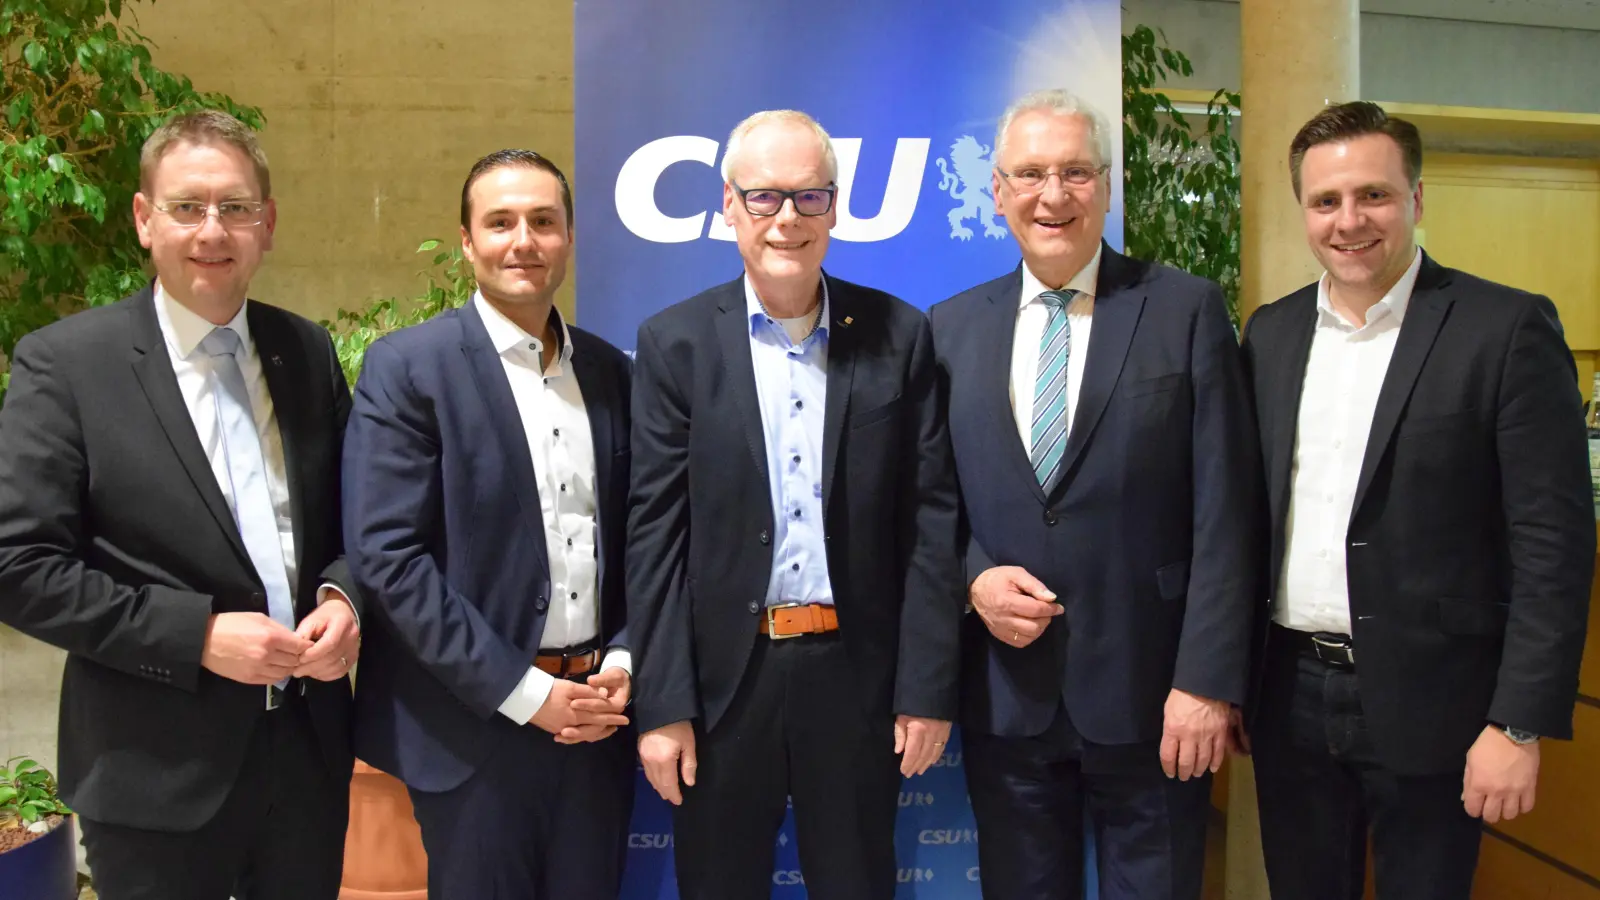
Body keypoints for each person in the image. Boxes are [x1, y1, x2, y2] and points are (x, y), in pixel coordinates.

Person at [0, 109, 361, 900]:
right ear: (142, 219)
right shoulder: (67, 365)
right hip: (151, 771)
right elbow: (19, 566)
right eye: (186, 206)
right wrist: (193, 635)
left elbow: (357, 525)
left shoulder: (303, 350)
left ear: (266, 224)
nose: (212, 230)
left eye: (235, 207)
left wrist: (345, 598)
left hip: (305, 760)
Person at [1239, 100, 1594, 900]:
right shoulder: (1271, 334)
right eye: (1326, 201)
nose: (1349, 220)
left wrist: (1517, 723)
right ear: (1303, 210)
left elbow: (1552, 544)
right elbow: (1248, 520)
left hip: (1439, 705)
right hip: (1288, 694)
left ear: (1417, 200)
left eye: (1374, 195)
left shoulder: (1503, 329)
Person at [928, 88, 1260, 900]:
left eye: (1076, 172)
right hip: (1009, 701)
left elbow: (1228, 512)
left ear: (1106, 187)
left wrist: (1207, 681)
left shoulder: (1185, 310)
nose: (1054, 195)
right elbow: (930, 501)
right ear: (999, 192)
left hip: (1157, 701)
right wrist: (972, 579)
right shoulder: (948, 329)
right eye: (1032, 174)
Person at [626, 109, 964, 900]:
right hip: (720, 692)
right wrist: (664, 703)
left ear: (836, 207)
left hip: (856, 682)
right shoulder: (674, 344)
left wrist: (924, 686)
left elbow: (930, 524)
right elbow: (655, 538)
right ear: (728, 207)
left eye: (810, 197)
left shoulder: (897, 334)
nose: (787, 218)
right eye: (765, 197)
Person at [343, 149, 635, 899]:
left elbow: (642, 539)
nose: (523, 241)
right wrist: (527, 693)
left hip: (599, 724)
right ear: (468, 241)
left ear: (569, 237)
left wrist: (626, 661)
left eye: (543, 221)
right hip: (472, 729)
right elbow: (388, 559)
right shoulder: (409, 370)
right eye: (500, 222)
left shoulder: (611, 373)